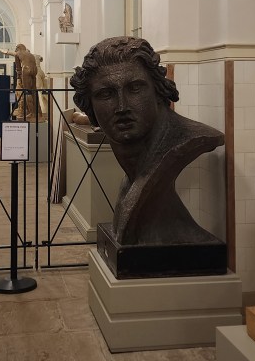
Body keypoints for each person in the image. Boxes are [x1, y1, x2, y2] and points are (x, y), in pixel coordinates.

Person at [70, 36, 224, 246]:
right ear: (90, 107)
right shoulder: (132, 173)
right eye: (106, 94)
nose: (122, 106)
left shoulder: (188, 140)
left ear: (158, 92)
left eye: (135, 89)